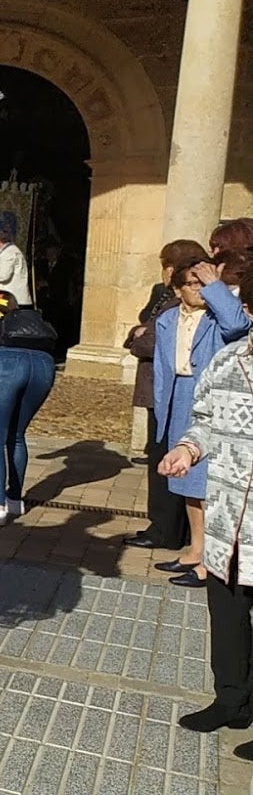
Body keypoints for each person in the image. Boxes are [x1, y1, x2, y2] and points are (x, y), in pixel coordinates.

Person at [160, 280, 253, 752]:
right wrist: (189, 448)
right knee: (228, 612)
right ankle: (232, 700)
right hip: (228, 519)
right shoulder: (228, 360)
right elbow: (205, 418)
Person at [152, 260, 251, 587]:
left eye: (202, 284)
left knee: (207, 484)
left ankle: (211, 558)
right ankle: (196, 549)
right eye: (193, 285)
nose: (199, 290)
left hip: (213, 398)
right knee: (187, 482)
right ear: (178, 288)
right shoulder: (168, 319)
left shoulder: (216, 318)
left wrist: (214, 285)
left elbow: (238, 324)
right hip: (178, 397)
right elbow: (162, 369)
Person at [126, 240, 211, 551]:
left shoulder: (183, 304)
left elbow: (148, 342)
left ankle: (167, 529)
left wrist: (138, 337)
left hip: (175, 390)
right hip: (162, 388)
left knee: (170, 459)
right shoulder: (166, 301)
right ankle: (174, 530)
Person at [0, 306, 60, 525]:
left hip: (6, 365)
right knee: (17, 435)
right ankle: (14, 499)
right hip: (44, 366)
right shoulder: (36, 325)